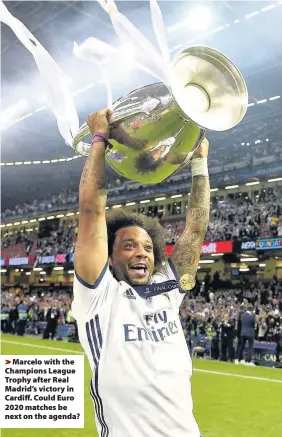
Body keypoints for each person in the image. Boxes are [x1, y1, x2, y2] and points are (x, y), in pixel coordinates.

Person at [72, 109, 210, 437]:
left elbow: (195, 227)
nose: (142, 254)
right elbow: (92, 210)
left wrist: (200, 163)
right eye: (130, 246)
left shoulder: (167, 287)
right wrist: (100, 140)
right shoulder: (98, 297)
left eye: (148, 248)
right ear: (109, 257)